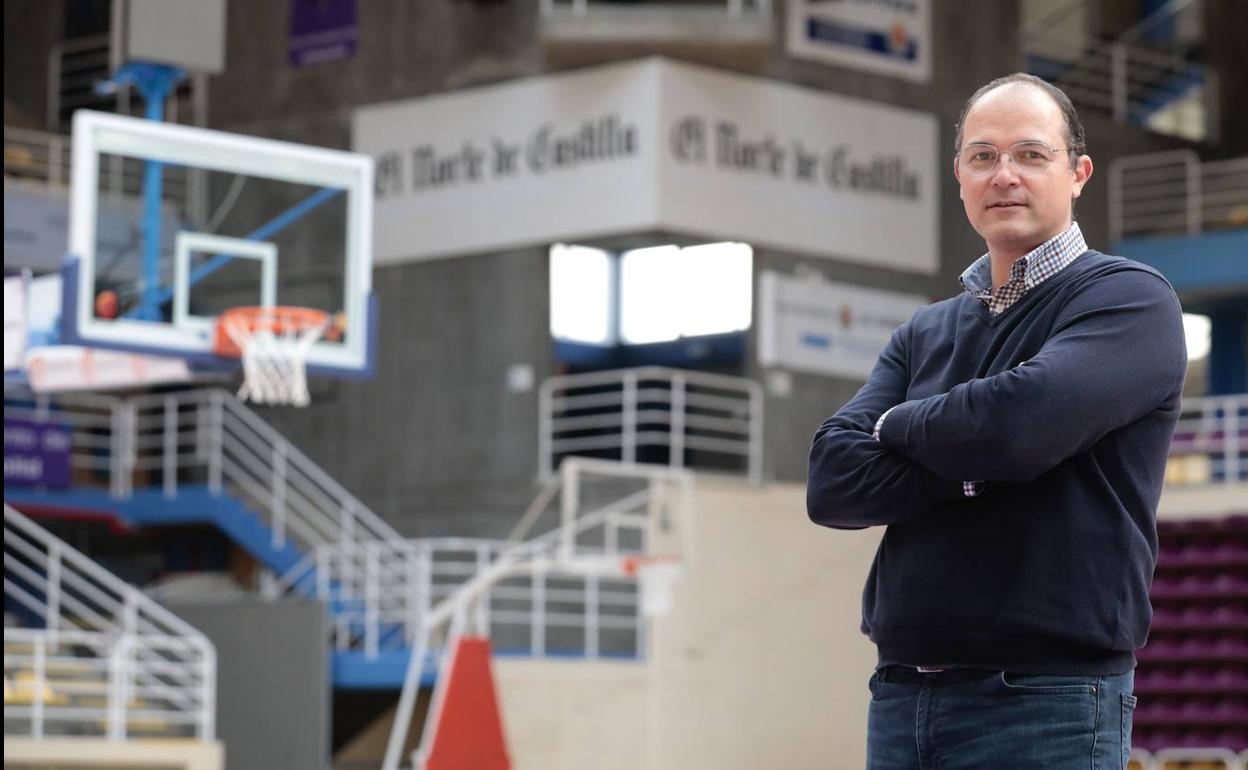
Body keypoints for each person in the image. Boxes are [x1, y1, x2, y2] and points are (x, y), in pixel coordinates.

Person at [806, 73, 1187, 769]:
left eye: (1030, 155)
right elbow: (832, 481)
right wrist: (980, 468)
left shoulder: (1130, 302)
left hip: (1046, 702)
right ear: (959, 176)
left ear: (1078, 173)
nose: (1003, 175)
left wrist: (896, 427)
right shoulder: (926, 331)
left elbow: (1018, 429)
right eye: (983, 157)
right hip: (901, 695)